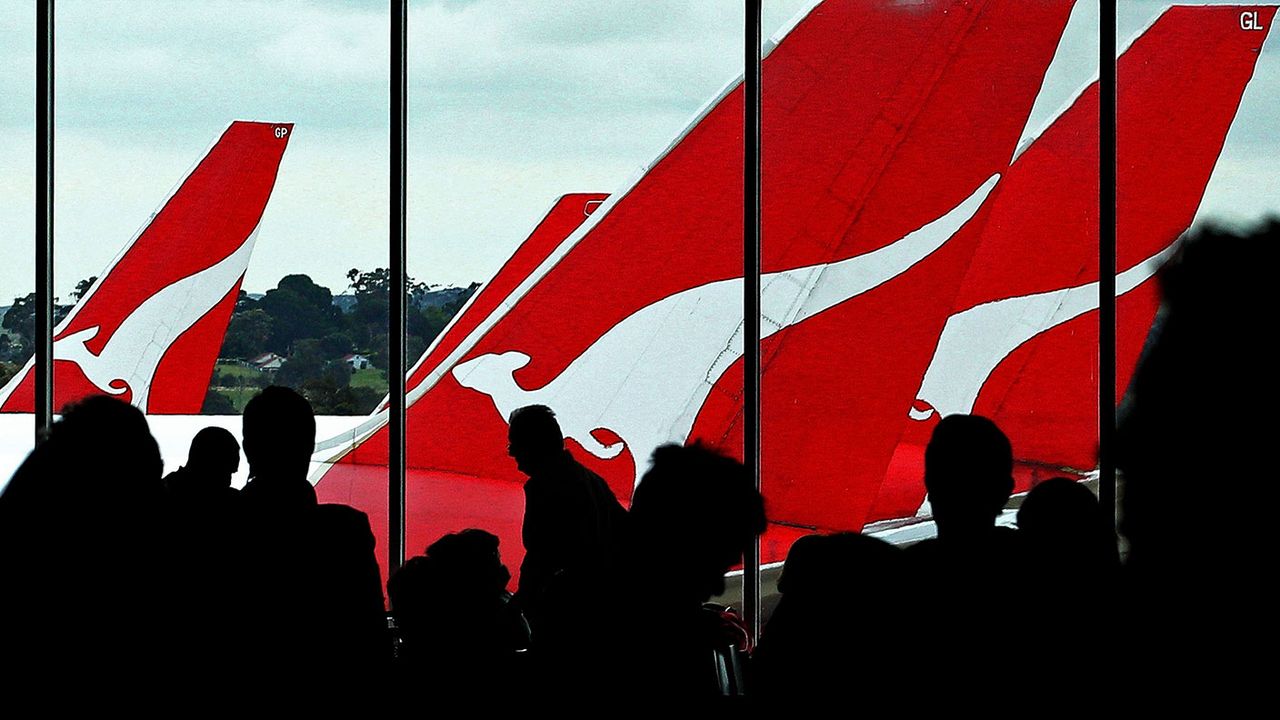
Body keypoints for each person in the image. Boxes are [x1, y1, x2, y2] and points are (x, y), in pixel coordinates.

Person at [506, 404, 625, 627]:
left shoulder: (547, 487)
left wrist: (518, 603)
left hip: (567, 612)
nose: (512, 453)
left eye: (516, 445)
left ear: (534, 446)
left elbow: (543, 556)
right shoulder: (591, 481)